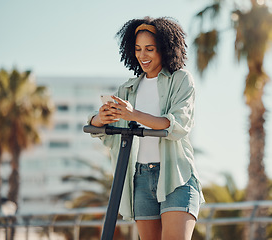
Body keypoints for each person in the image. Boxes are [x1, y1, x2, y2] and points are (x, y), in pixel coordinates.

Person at [88, 16, 204, 240]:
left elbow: (177, 125)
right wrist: (99, 119)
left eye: (149, 49)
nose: (143, 55)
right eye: (138, 49)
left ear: (165, 48)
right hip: (140, 178)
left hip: (176, 175)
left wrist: (134, 115)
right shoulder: (128, 89)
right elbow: (101, 132)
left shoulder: (180, 80)